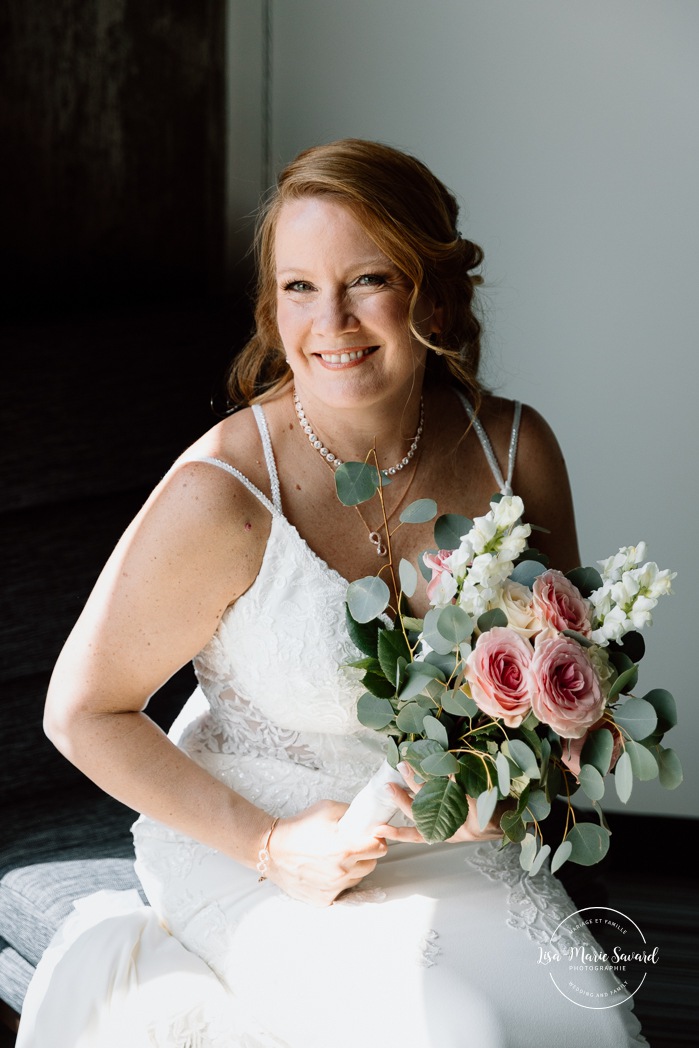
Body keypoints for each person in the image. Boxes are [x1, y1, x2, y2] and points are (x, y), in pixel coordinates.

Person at [17, 139, 649, 1047]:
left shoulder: (515, 451)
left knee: (570, 1025)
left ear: (433, 292)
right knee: (455, 1033)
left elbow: (573, 687)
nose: (332, 320)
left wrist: (531, 781)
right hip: (253, 841)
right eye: (299, 287)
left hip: (454, 841)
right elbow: (81, 714)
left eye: (368, 279)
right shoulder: (222, 496)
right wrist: (272, 848)